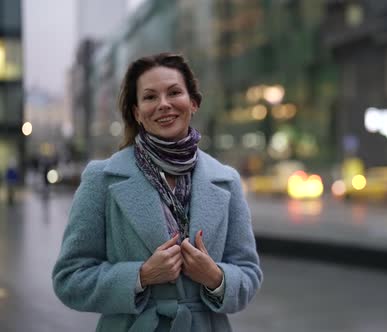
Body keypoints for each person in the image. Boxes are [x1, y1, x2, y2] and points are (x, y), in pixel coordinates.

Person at [52, 53, 262, 331]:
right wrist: (141, 275)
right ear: (137, 112)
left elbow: (249, 274)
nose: (164, 104)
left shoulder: (227, 180)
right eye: (150, 97)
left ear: (193, 102)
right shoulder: (101, 179)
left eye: (174, 92)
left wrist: (215, 277)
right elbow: (69, 279)